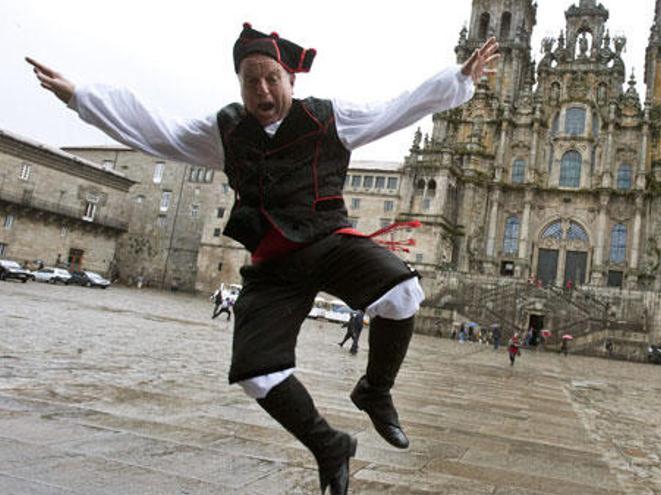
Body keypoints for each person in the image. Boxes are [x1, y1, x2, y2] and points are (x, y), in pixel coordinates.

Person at [28, 24, 498, 495]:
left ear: (290, 80)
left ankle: (375, 390)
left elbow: (396, 109)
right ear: (241, 86)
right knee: (257, 373)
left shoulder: (329, 118)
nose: (263, 90)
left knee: (402, 290)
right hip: (273, 263)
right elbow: (157, 130)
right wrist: (80, 97)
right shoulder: (227, 131)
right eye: (251, 81)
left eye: (272, 77)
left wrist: (456, 81)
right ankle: (330, 446)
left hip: (329, 242)